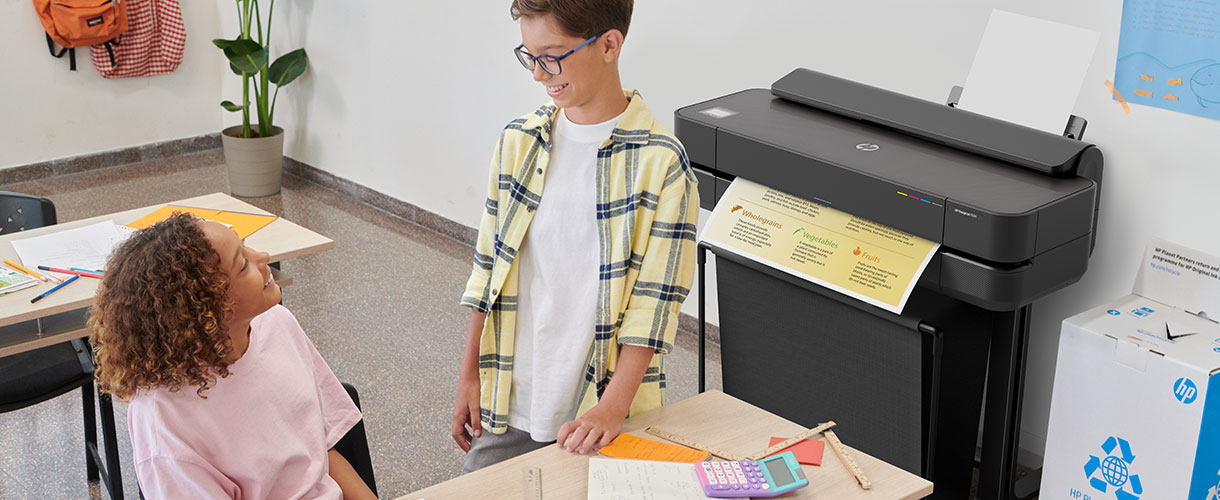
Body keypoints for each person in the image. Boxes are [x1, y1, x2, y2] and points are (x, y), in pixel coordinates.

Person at [453, 0, 699, 473]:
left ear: (610, 44)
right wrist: (470, 376)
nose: (539, 74)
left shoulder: (663, 165)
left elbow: (654, 306)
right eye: (529, 56)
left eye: (553, 55)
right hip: (512, 398)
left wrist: (612, 408)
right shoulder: (518, 142)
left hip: (603, 408)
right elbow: (488, 269)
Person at [89, 213, 377, 500]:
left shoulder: (277, 322)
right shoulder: (165, 420)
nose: (263, 257)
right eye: (243, 265)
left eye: (246, 246)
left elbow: (322, 448)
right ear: (206, 308)